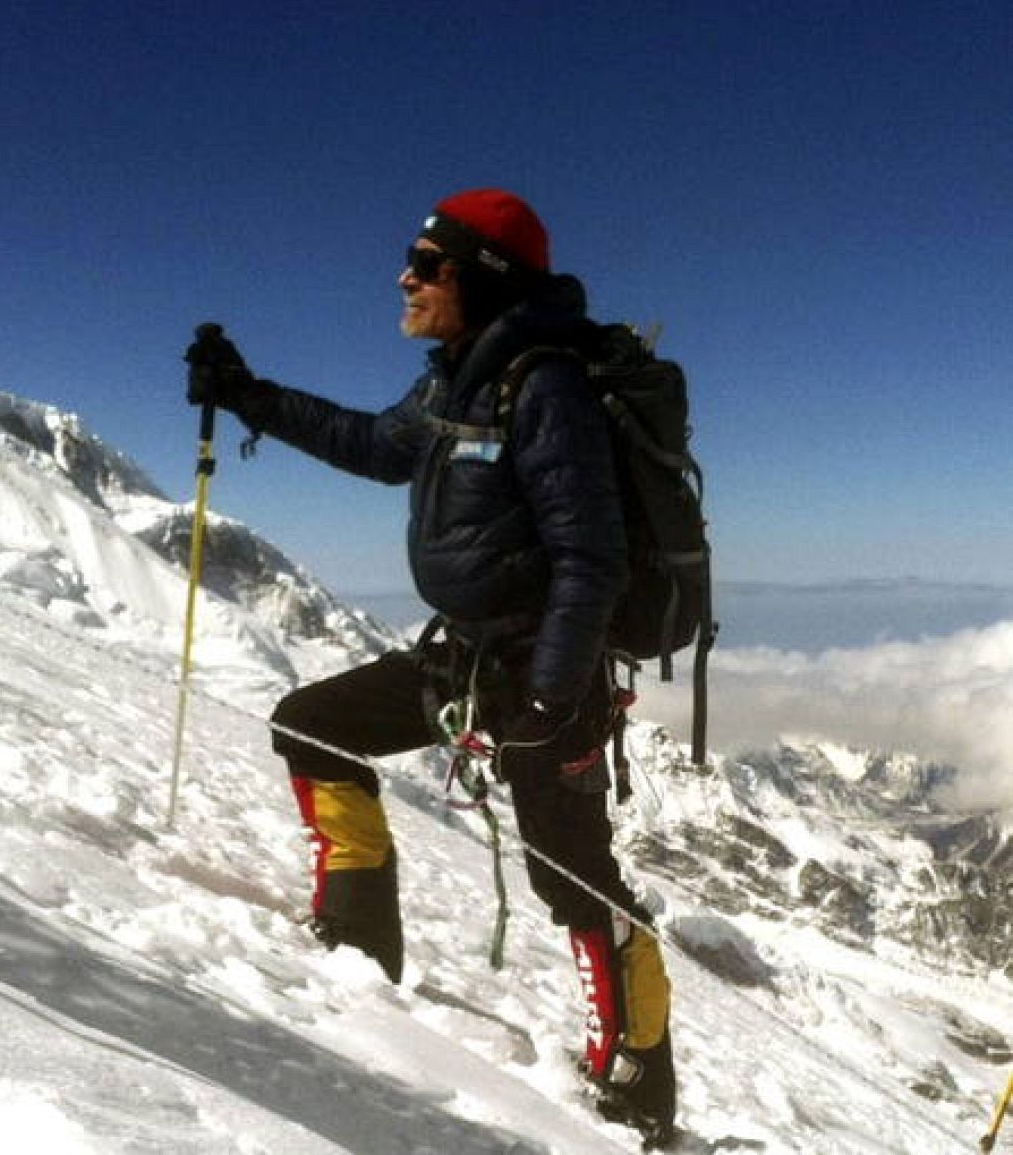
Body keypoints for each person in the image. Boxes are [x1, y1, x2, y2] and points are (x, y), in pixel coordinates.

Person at [184, 188, 677, 1143]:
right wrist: (249, 395)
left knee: (573, 877)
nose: (406, 278)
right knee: (312, 723)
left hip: (544, 673)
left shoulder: (545, 387)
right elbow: (372, 447)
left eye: (429, 263)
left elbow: (592, 559)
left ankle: (635, 1092)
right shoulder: (457, 383)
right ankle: (358, 947)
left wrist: (552, 690)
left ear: (483, 277)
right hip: (468, 659)